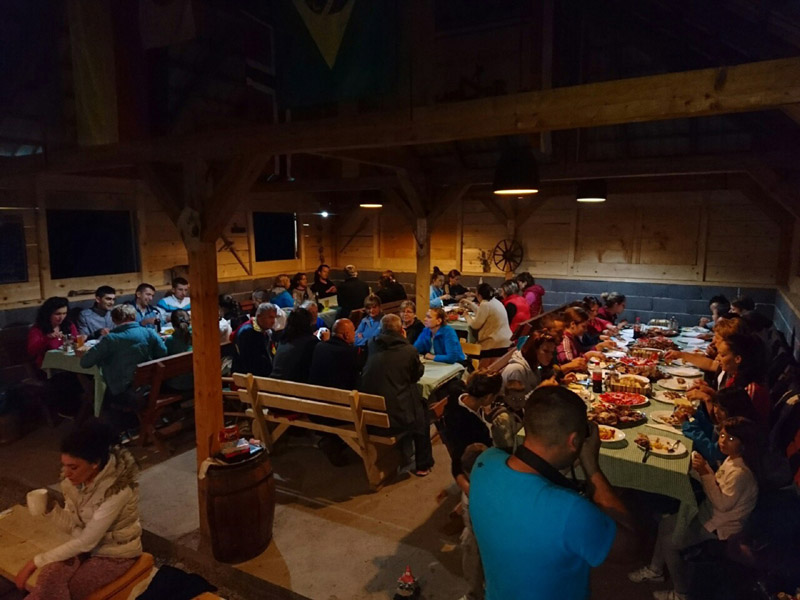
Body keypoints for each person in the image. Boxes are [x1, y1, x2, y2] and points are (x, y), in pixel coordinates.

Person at [470, 386, 636, 600]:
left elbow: (525, 481)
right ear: (574, 441)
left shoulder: (485, 462)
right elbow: (630, 548)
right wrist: (592, 468)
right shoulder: (571, 510)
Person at [629, 417, 762, 600]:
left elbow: (722, 504)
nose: (723, 441)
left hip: (721, 527)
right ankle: (656, 570)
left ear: (744, 444)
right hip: (708, 512)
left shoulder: (741, 473)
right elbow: (715, 484)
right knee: (666, 524)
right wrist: (698, 469)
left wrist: (705, 472)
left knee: (670, 543)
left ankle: (681, 593)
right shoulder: (732, 460)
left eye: (731, 439)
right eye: (722, 435)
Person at [14, 421, 142, 599]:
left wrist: (34, 563)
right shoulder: (73, 484)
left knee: (75, 588)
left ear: (95, 463)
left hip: (115, 554)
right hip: (85, 548)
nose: (66, 473)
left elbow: (87, 541)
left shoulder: (117, 490)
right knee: (49, 576)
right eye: (64, 465)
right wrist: (51, 510)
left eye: (73, 467)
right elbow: (74, 527)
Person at [359, 314, 433, 476]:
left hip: (371, 415)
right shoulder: (409, 350)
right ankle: (423, 464)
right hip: (396, 419)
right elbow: (416, 375)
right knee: (421, 411)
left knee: (401, 395)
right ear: (401, 331)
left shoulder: (372, 344)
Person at [79, 304, 167, 406]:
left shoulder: (111, 339)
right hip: (148, 384)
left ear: (114, 320)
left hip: (121, 390)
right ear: (134, 317)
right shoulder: (149, 332)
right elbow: (163, 353)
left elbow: (85, 362)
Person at [444, 371, 502, 493]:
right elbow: (457, 457)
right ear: (488, 397)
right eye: (495, 396)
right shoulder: (463, 423)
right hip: (481, 463)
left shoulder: (459, 395)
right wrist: (467, 488)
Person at [681, 387, 760, 468]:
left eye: (722, 409)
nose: (716, 411)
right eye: (715, 406)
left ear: (735, 410)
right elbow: (711, 430)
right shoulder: (726, 422)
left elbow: (712, 452)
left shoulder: (738, 431)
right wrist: (695, 414)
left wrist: (687, 425)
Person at [458, 443, 489, 600]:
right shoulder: (472, 484)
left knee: (476, 569)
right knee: (471, 569)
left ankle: (475, 596)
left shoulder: (484, 490)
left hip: (480, 538)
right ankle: (474, 594)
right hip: (471, 533)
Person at [460, 283, 513, 364]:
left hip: (494, 344)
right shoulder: (495, 301)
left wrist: (467, 316)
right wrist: (470, 304)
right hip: (505, 341)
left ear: (479, 295)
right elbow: (482, 313)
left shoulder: (485, 304)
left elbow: (475, 325)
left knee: (466, 352)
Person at [502, 330, 558, 399]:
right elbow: (516, 402)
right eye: (546, 351)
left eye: (552, 352)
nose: (550, 356)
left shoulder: (534, 365)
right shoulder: (517, 370)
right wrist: (540, 389)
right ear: (534, 349)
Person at [27, 297, 80, 369]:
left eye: (64, 313)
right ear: (48, 314)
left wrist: (78, 339)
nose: (61, 317)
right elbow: (32, 351)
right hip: (49, 366)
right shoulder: (37, 329)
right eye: (58, 314)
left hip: (69, 362)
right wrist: (47, 338)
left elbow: (76, 340)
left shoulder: (68, 325)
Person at [270, 308, 319, 383]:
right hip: (293, 385)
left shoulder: (283, 338)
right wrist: (324, 343)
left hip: (273, 381)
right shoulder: (310, 342)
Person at [309, 319, 359, 391]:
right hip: (337, 395)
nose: (355, 333)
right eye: (354, 331)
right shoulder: (350, 352)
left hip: (314, 392)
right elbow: (353, 382)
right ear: (346, 335)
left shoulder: (319, 346)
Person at [233, 303, 280, 377]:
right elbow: (249, 362)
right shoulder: (246, 332)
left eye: (274, 317)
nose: (273, 321)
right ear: (259, 316)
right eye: (270, 317)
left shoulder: (268, 331)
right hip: (248, 375)